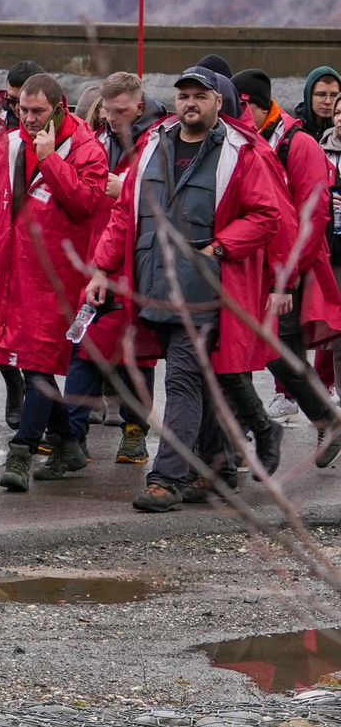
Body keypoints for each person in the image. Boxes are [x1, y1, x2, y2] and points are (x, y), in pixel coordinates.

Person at [88, 67, 297, 511]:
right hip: (154, 285)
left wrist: (219, 249)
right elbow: (126, 213)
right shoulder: (150, 146)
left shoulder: (242, 153)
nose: (189, 103)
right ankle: (219, 468)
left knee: (182, 379)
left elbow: (266, 217)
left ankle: (166, 477)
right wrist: (101, 270)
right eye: (183, 95)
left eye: (199, 96)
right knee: (201, 380)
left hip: (207, 290)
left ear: (218, 102)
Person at [0, 74, 112, 490]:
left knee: (39, 361)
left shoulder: (87, 149)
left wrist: (50, 160)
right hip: (15, 268)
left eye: (37, 111)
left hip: (59, 275)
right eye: (22, 109)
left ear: (60, 108)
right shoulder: (9, 143)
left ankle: (21, 450)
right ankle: (69, 444)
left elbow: (86, 203)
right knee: (28, 361)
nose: (28, 118)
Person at [234, 69, 341, 464]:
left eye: (243, 107)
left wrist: (289, 275)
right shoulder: (250, 139)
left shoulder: (298, 145)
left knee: (280, 356)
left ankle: (324, 421)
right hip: (254, 269)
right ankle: (241, 440)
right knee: (245, 353)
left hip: (285, 273)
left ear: (258, 106)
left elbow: (314, 215)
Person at [88, 71, 163, 466]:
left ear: (138, 105)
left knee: (138, 349)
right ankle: (75, 429)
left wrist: (127, 193)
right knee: (93, 339)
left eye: (121, 111)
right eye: (108, 109)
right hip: (101, 248)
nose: (113, 117)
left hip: (138, 255)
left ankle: (135, 430)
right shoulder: (96, 134)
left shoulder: (158, 139)